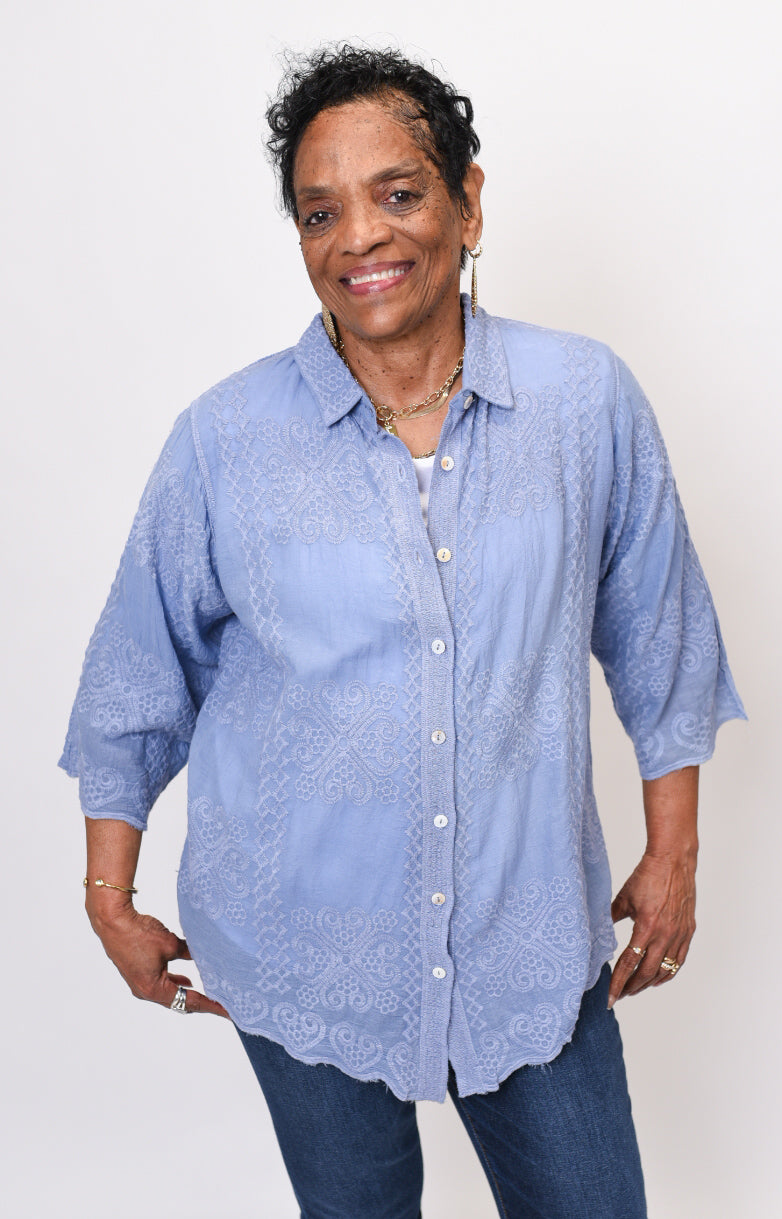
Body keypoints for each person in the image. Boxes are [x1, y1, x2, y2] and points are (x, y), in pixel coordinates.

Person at [60, 44, 745, 1219]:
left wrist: (674, 853)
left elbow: (662, 635)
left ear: (468, 203)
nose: (361, 237)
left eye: (399, 192)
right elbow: (139, 671)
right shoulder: (226, 440)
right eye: (321, 211)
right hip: (300, 945)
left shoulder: (584, 402)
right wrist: (107, 891)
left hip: (527, 939)